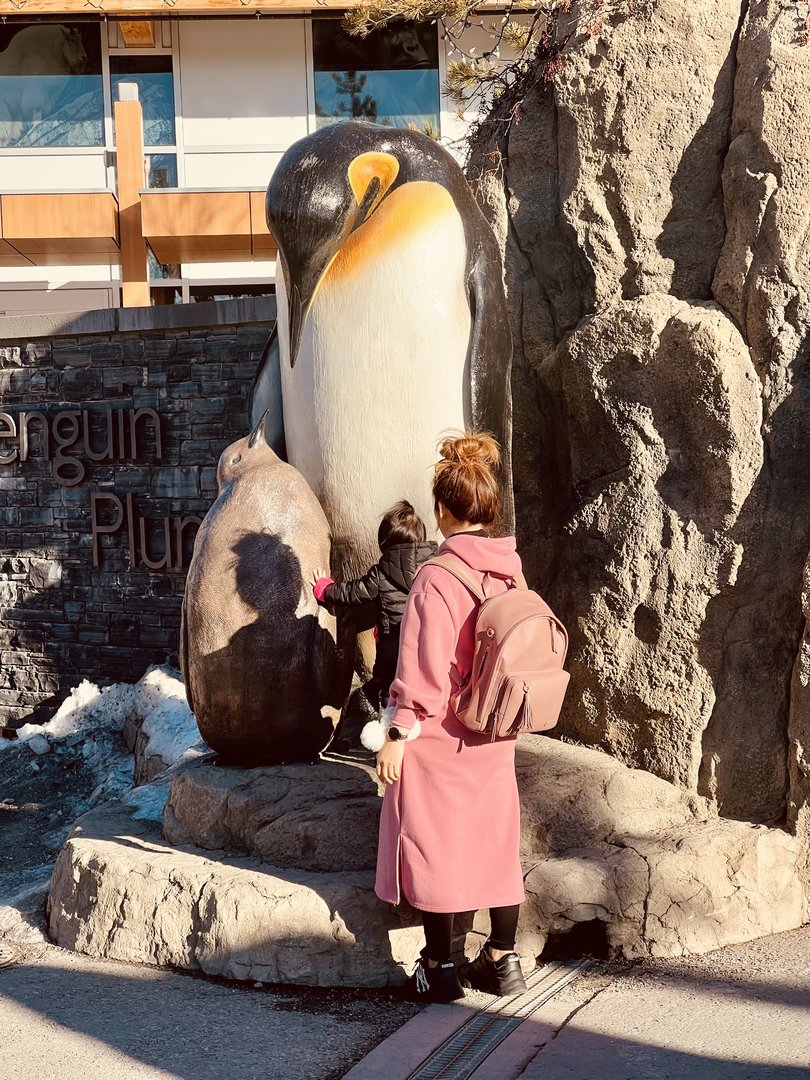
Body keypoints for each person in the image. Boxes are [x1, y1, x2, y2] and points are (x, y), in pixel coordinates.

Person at [374, 433, 528, 1003]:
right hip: (495, 729)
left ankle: (439, 967)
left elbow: (421, 671)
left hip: (442, 735)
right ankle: (502, 960)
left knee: (432, 844)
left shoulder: (436, 579)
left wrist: (395, 734)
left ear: (442, 510)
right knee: (495, 842)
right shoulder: (510, 570)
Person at [311, 501, 437, 711]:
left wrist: (326, 590)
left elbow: (353, 593)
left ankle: (391, 731)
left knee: (391, 693)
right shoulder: (434, 567)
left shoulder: (381, 572)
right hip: (424, 644)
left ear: (383, 542)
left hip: (392, 650)